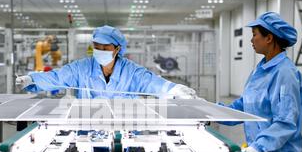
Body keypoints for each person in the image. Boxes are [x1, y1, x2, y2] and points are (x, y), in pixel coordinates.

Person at [15, 25, 196, 99]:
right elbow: (57, 77)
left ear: (117, 49)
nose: (99, 51)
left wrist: (174, 89)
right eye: (96, 46)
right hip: (86, 131)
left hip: (125, 131)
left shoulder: (131, 71)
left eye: (105, 47)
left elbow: (152, 83)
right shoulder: (81, 68)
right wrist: (33, 79)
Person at [219, 12, 302, 152]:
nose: (251, 40)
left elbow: (285, 123)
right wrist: (213, 111)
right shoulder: (260, 70)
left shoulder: (285, 73)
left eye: (254, 34)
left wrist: (258, 148)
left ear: (269, 38)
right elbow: (244, 106)